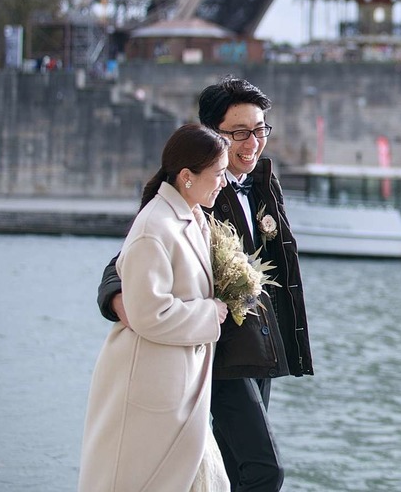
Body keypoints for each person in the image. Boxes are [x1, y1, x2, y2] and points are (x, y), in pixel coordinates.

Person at [97, 77, 314, 492]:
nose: (253, 143)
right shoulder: (193, 189)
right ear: (213, 134)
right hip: (218, 351)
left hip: (261, 349)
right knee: (265, 470)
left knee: (233, 469)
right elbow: (126, 261)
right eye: (240, 133)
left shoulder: (264, 181)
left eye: (260, 130)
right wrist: (124, 305)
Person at [79, 123, 231, 491]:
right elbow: (148, 314)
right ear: (187, 176)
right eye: (218, 173)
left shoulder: (191, 217)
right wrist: (210, 314)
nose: (224, 182)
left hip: (177, 384)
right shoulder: (154, 227)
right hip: (151, 384)